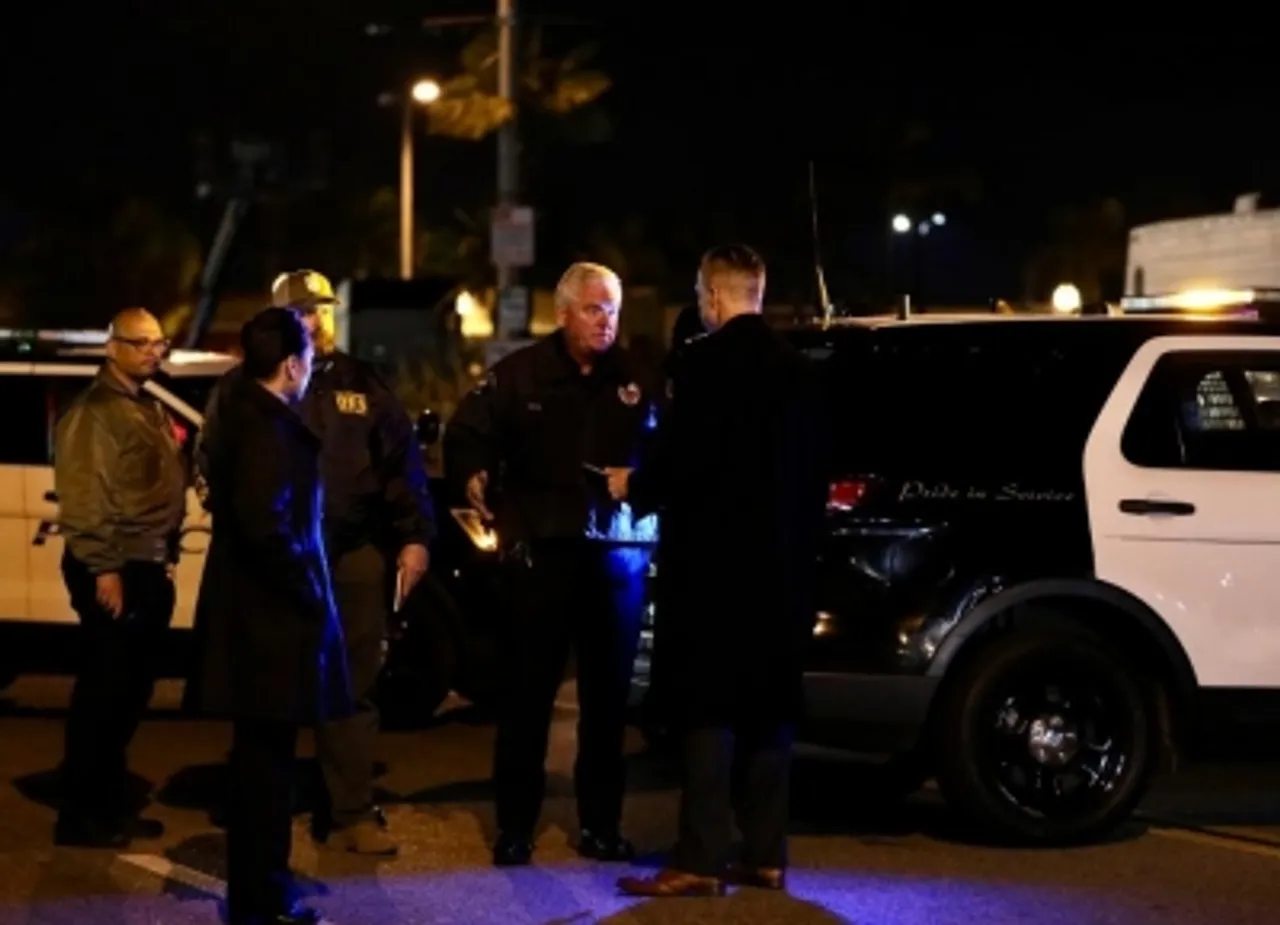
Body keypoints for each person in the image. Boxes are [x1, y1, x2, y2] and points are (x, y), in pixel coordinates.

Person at [609, 244, 827, 897]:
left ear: (711, 296)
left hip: (713, 571)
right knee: (769, 710)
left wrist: (633, 485)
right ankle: (765, 852)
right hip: (784, 572)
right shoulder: (801, 370)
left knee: (708, 711)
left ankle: (700, 857)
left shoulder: (703, 367)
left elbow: (679, 460)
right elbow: (816, 474)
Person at [196, 269, 435, 856]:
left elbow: (401, 466)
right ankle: (257, 806)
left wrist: (414, 537)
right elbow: (211, 468)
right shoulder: (242, 389)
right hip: (276, 558)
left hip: (350, 557)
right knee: (264, 688)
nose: (317, 319)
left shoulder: (366, 383)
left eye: (324, 308)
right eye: (304, 309)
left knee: (353, 687)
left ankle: (351, 811)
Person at [444, 262, 659, 867]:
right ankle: (515, 827)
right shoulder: (521, 375)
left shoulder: (640, 377)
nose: (605, 320)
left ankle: (601, 826)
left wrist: (645, 484)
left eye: (612, 308)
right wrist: (473, 473)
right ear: (563, 313)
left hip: (618, 553)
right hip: (543, 553)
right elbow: (466, 432)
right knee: (527, 698)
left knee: (608, 702)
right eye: (593, 308)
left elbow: (674, 454)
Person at [193, 307, 351, 925]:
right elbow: (267, 528)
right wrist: (308, 591)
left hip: (257, 623)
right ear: (291, 365)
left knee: (261, 766)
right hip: (270, 627)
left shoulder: (243, 416)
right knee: (265, 772)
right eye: (308, 356)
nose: (311, 366)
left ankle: (260, 894)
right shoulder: (267, 429)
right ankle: (262, 902)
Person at [52, 307, 187, 848]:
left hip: (145, 563)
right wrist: (104, 568)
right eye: (142, 343)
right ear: (113, 348)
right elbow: (86, 498)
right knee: (105, 693)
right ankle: (82, 816)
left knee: (130, 692)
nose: (154, 351)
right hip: (116, 566)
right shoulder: (95, 412)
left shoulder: (144, 406)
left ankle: (107, 804)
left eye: (160, 343)